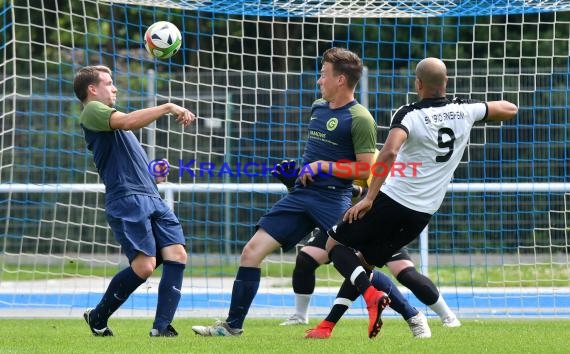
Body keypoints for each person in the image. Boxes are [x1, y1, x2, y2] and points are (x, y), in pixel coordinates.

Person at [191, 47, 384, 337]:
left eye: (323, 74)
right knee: (251, 252)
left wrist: (322, 167)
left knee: (358, 259)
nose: (319, 80)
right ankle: (232, 326)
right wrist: (296, 176)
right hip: (300, 195)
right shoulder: (318, 108)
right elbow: (314, 158)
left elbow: (364, 169)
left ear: (341, 80)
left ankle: (408, 312)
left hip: (333, 198)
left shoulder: (360, 118)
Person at [324, 57, 518, 338]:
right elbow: (509, 108)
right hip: (422, 214)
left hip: (391, 200)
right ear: (446, 82)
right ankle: (333, 324)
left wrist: (368, 197)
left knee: (333, 244)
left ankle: (373, 297)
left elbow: (389, 152)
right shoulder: (464, 110)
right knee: (364, 262)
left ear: (418, 84)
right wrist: (476, 111)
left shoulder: (409, 114)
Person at [73, 65, 195, 337]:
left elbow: (126, 158)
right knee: (144, 267)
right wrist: (167, 107)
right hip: (127, 200)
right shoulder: (92, 110)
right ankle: (98, 317)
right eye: (108, 82)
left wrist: (153, 175)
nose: (114, 87)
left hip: (151, 197)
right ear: (92, 89)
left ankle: (161, 328)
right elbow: (128, 121)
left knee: (177, 254)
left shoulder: (115, 121)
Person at [275, 156, 461, 330]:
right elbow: (318, 198)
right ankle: (300, 316)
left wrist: (354, 191)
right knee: (306, 258)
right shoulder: (329, 155)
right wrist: (295, 185)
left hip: (375, 223)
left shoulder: (372, 158)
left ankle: (447, 316)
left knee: (405, 273)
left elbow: (382, 197)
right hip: (343, 223)